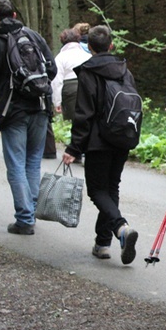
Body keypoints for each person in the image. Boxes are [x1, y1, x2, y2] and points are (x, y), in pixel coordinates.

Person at [0, 0, 57, 235]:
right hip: (41, 106)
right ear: (13, 14)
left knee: (16, 164)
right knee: (33, 162)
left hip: (13, 112)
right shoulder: (33, 37)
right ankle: (29, 210)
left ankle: (25, 219)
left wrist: (5, 87)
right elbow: (50, 69)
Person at [61, 25, 139, 265]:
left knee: (97, 191)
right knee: (111, 188)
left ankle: (121, 228)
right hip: (123, 136)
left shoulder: (88, 72)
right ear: (111, 45)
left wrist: (74, 148)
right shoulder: (125, 70)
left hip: (98, 141)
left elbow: (84, 114)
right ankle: (103, 244)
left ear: (90, 47)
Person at [53, 28, 91, 121]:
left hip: (69, 91)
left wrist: (57, 102)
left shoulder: (60, 57)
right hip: (88, 88)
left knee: (75, 122)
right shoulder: (87, 56)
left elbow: (57, 81)